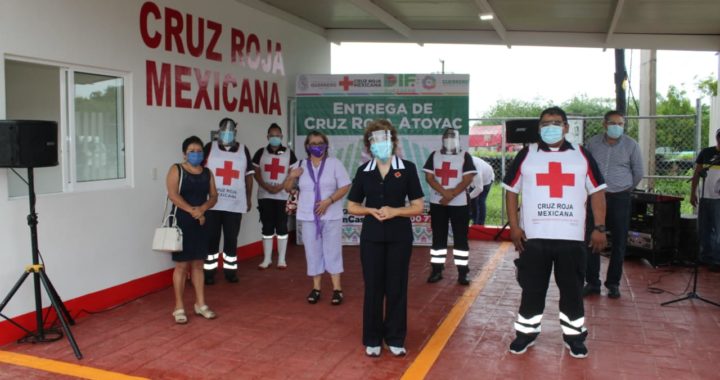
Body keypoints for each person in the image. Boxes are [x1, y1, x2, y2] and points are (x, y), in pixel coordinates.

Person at [503, 106, 607, 359]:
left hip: (571, 239)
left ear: (566, 127)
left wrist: (600, 228)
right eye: (545, 123)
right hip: (534, 237)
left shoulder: (581, 155)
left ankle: (574, 337)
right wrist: (515, 227)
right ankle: (526, 333)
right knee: (532, 289)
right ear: (539, 128)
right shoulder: (527, 154)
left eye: (556, 122)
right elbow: (510, 191)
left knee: (572, 291)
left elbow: (597, 192)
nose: (551, 127)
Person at [347, 120, 424, 357]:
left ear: (393, 141)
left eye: (384, 139)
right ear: (369, 145)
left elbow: (418, 206)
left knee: (396, 287)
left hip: (399, 237)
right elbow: (352, 206)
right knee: (373, 288)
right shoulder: (364, 171)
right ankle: (372, 338)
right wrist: (370, 210)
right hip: (371, 237)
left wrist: (395, 211)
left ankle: (395, 337)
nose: (380, 144)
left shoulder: (408, 168)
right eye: (375, 140)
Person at [284, 131, 351, 305]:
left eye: (320, 143)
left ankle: (337, 289)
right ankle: (316, 288)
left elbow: (345, 186)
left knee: (333, 251)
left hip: (331, 215)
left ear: (326, 145)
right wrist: (292, 176)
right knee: (312, 252)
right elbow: (287, 188)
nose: (317, 146)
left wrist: (329, 201)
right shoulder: (299, 165)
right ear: (307, 146)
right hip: (308, 216)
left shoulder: (334, 163)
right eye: (313, 143)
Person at [583, 111, 644, 298]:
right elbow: (586, 167)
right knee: (592, 239)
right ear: (604, 124)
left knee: (619, 241)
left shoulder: (631, 145)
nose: (617, 127)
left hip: (620, 197)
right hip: (595, 197)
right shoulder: (592, 143)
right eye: (613, 123)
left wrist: (624, 188)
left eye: (621, 124)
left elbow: (638, 172)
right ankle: (592, 282)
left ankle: (613, 283)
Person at [167, 136, 218, 324]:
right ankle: (179, 307)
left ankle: (200, 304)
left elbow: (213, 196)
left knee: (198, 264)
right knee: (181, 265)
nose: (196, 154)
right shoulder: (177, 169)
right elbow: (172, 194)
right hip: (182, 221)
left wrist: (203, 209)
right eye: (192, 151)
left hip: (202, 221)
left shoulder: (207, 173)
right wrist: (193, 211)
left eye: (199, 151)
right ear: (184, 153)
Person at [203, 118, 254, 284]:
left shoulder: (243, 150)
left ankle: (230, 271)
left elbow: (249, 176)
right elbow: (200, 171)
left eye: (231, 130)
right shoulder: (209, 148)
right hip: (212, 203)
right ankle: (208, 273)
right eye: (224, 130)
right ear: (218, 131)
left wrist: (248, 198)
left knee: (231, 239)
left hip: (235, 204)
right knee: (211, 238)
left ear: (236, 132)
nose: (227, 133)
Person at [423, 128, 476, 285]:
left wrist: (450, 195)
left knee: (461, 238)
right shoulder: (434, 155)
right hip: (438, 203)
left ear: (459, 139)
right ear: (442, 139)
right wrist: (444, 194)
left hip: (459, 204)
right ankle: (437, 270)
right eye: (446, 137)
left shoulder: (464, 156)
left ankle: (462, 272)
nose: (449, 139)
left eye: (453, 137)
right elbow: (429, 177)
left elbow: (467, 179)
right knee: (438, 236)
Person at [252, 123, 298, 269]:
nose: (275, 138)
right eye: (272, 135)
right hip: (265, 195)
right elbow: (255, 172)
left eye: (277, 135)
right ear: (267, 137)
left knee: (282, 227)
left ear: (282, 137)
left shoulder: (289, 153)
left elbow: (293, 173)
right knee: (267, 227)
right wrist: (265, 186)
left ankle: (281, 259)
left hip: (283, 196)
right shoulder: (260, 152)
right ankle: (267, 259)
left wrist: (281, 186)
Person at [690, 128, 720, 272]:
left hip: (718, 199)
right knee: (704, 229)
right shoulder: (706, 152)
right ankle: (705, 257)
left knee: (717, 230)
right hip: (705, 197)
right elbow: (697, 172)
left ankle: (717, 260)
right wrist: (693, 193)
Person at [468, 155, 495, 225]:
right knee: (472, 201)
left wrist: (467, 197)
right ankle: (473, 220)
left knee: (480, 200)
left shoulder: (475, 168)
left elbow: (479, 188)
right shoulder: (462, 163)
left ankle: (480, 224)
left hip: (486, 179)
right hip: (474, 181)